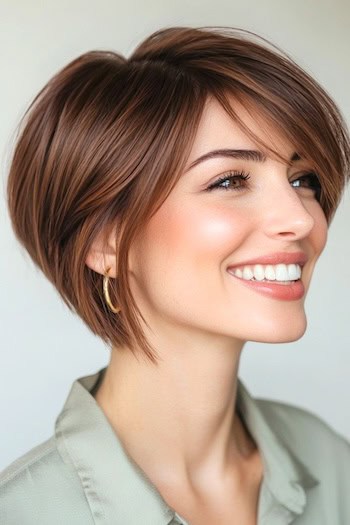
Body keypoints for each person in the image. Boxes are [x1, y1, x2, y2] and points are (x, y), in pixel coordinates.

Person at [1, 26, 349, 525]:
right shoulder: (23, 513)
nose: (300, 218)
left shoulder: (331, 463)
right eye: (230, 180)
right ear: (105, 239)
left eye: (303, 179)